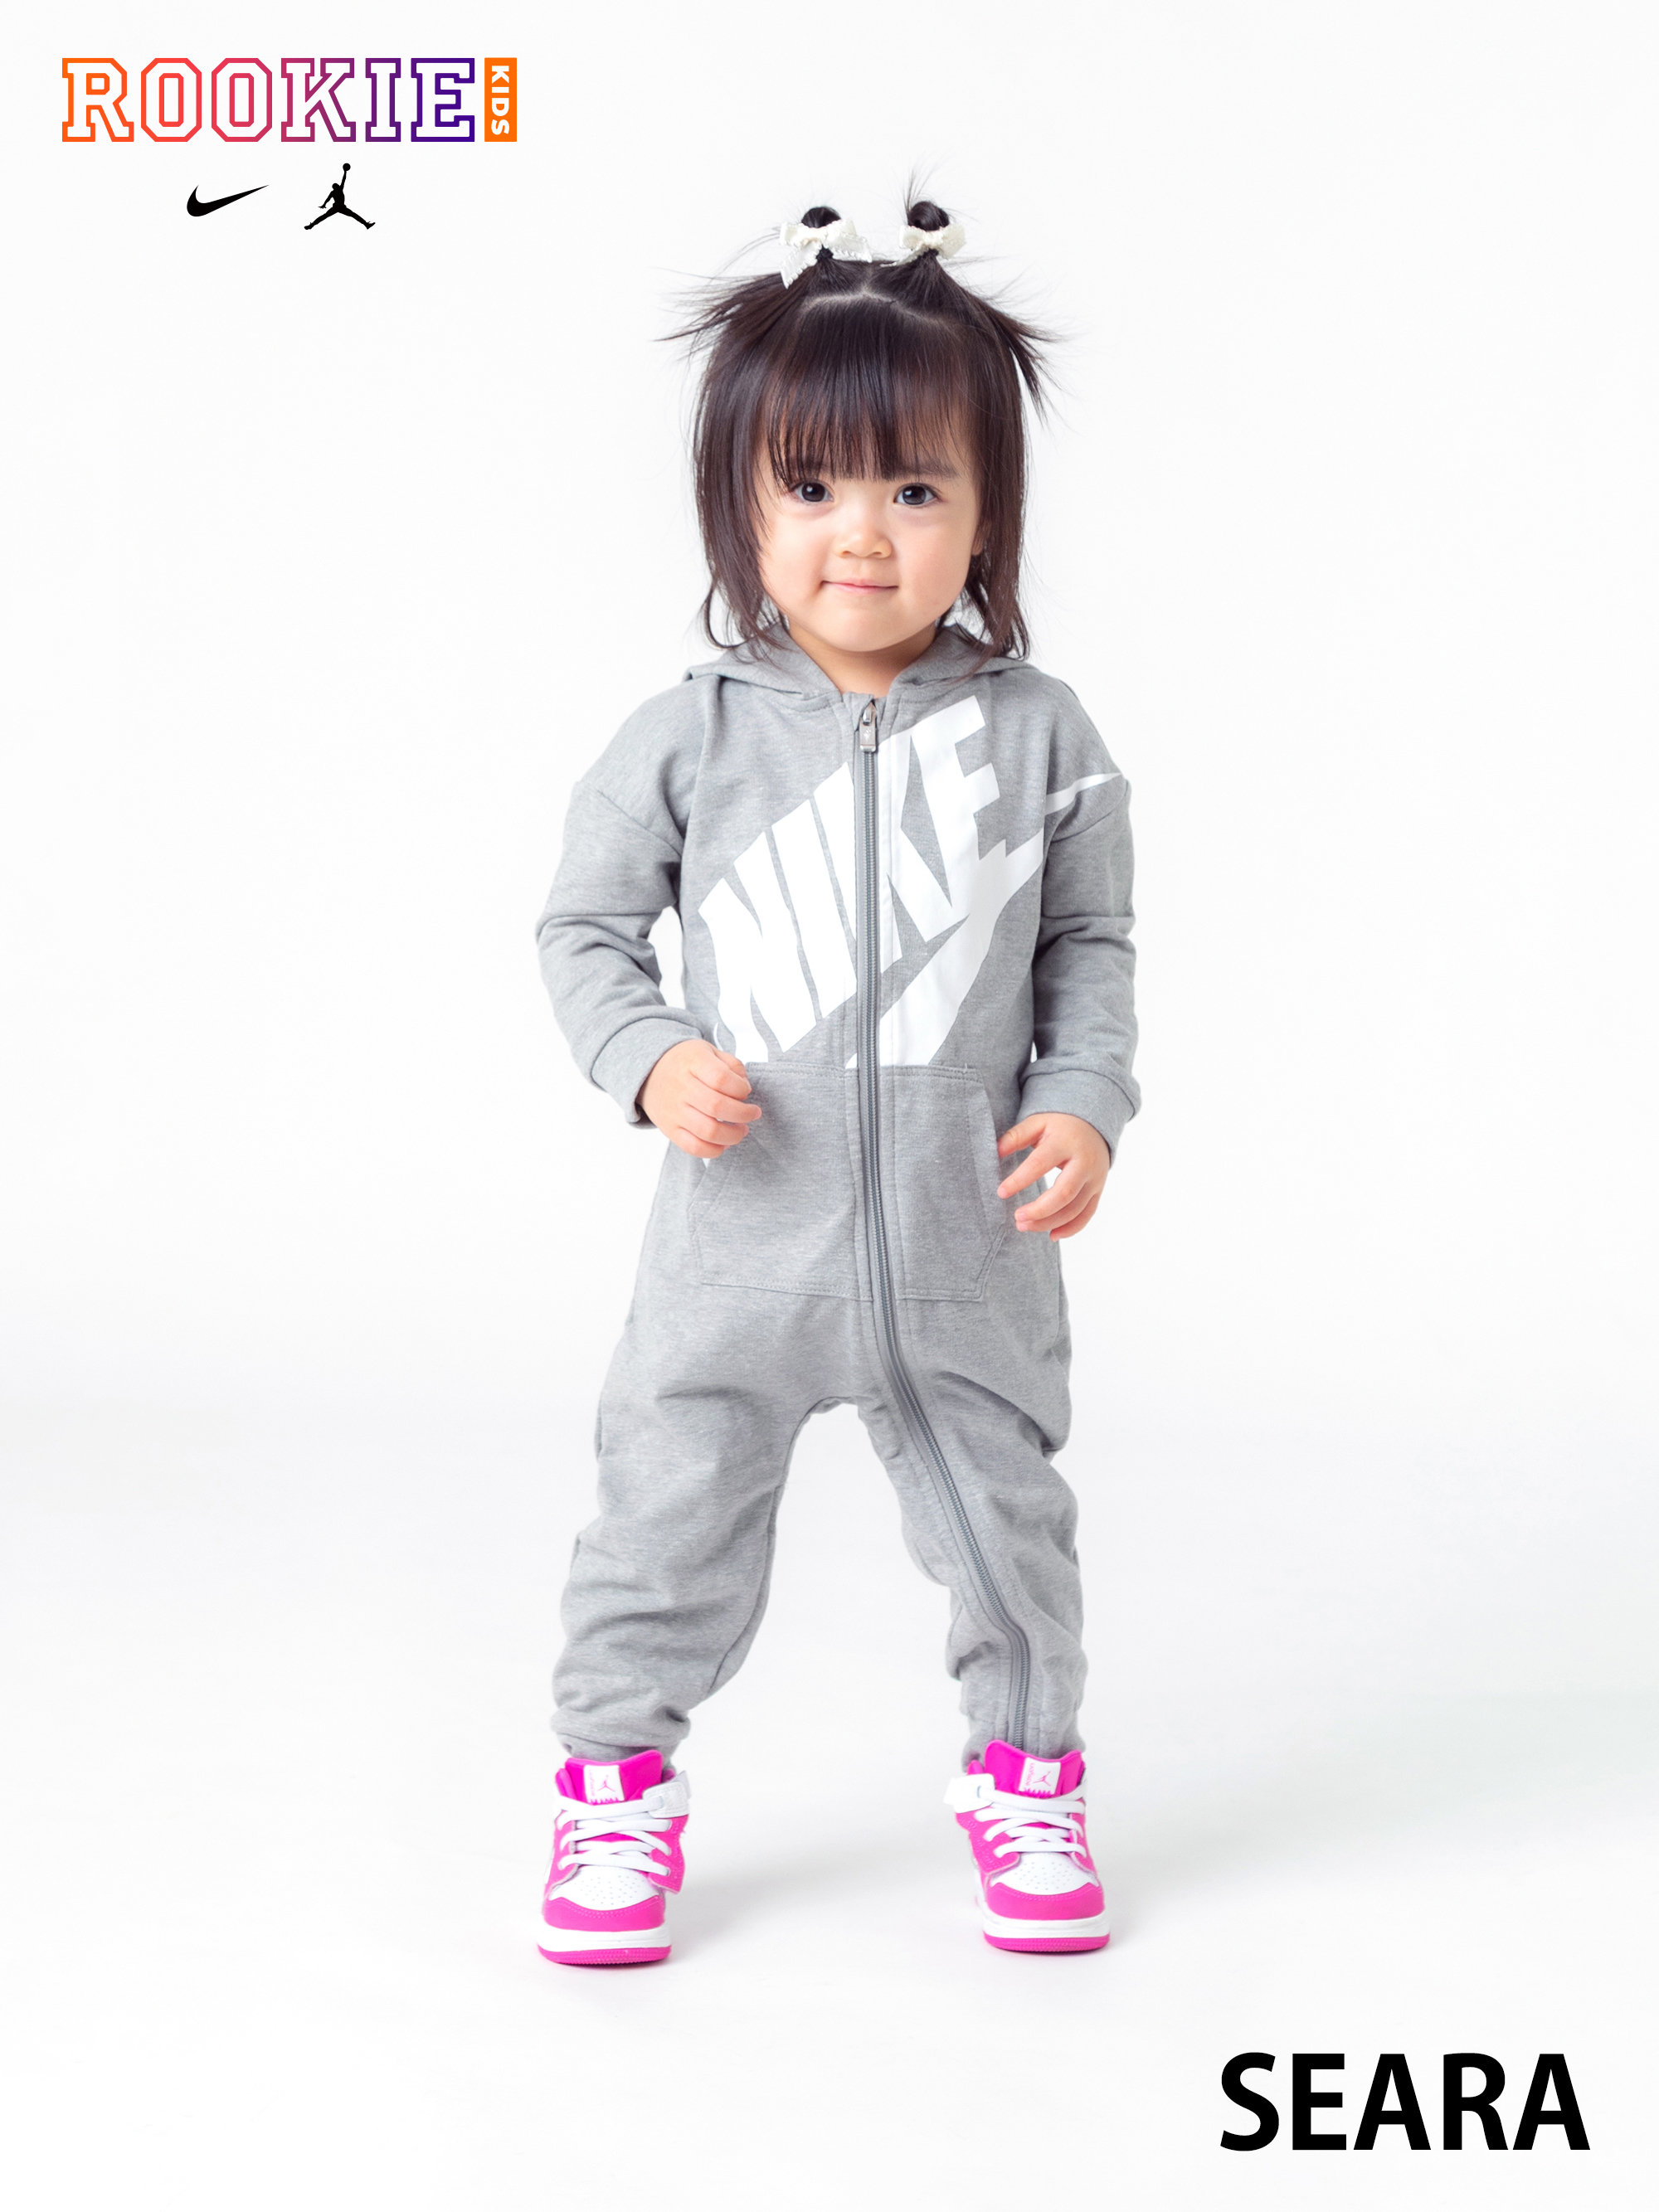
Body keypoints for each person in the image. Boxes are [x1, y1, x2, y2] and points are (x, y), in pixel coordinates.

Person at [533, 202, 1139, 1966]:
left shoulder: (1044, 736)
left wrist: (1086, 1098)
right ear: (741, 508)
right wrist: (648, 1059)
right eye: (810, 487)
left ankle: (1027, 1773)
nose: (861, 533)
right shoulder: (686, 737)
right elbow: (584, 929)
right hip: (732, 1262)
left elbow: (1091, 947)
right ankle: (612, 1786)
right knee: (660, 1526)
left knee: (1012, 1537)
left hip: (967, 1256)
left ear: (985, 515)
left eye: (915, 488)